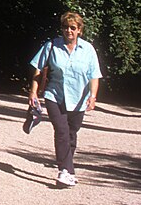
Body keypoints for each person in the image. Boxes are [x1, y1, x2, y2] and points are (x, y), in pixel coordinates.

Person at [27, 11, 102, 188]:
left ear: (79, 30)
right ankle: (65, 171)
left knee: (71, 133)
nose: (69, 31)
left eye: (73, 28)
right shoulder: (51, 46)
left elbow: (94, 76)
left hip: (78, 99)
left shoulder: (88, 50)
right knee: (61, 131)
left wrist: (93, 96)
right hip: (55, 95)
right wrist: (33, 93)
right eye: (65, 27)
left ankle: (67, 167)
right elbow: (38, 69)